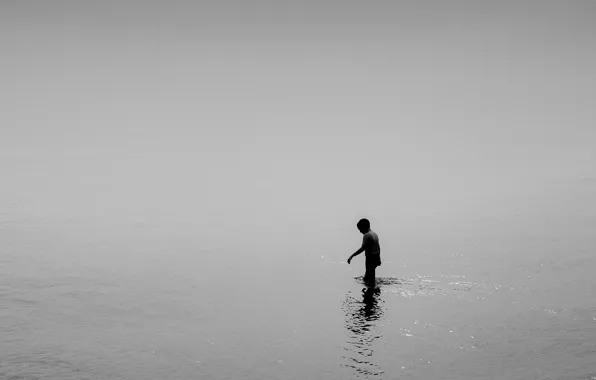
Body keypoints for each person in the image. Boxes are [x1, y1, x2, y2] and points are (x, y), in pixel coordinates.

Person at [347, 218, 381, 286]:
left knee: (370, 280)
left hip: (370, 258)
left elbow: (362, 248)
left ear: (364, 227)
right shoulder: (374, 234)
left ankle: (370, 292)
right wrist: (379, 259)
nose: (360, 231)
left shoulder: (367, 235)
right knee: (367, 277)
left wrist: (352, 256)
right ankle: (371, 291)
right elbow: (378, 247)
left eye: (360, 229)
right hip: (376, 257)